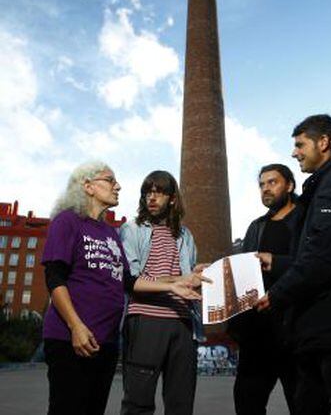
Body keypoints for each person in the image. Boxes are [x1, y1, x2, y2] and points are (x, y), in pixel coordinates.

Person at [42, 161, 198, 415]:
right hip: (73, 335)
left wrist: (182, 281)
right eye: (111, 180)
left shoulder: (110, 233)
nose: (118, 186)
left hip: (107, 339)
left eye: (159, 191)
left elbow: (129, 280)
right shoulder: (68, 221)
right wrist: (76, 326)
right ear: (88, 186)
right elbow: (55, 277)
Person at [257, 114, 331, 415]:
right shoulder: (326, 184)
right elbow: (316, 254)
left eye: (300, 144)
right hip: (318, 329)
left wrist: (278, 293)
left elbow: (325, 255)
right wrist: (279, 263)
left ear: (323, 143)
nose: (294, 152)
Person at [120, 170, 206, 415]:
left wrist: (197, 274)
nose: (152, 197)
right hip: (146, 319)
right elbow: (132, 281)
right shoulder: (132, 229)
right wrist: (175, 282)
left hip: (183, 323)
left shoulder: (185, 235)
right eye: (147, 192)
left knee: (181, 402)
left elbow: (185, 278)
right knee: (138, 401)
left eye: (159, 192)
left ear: (172, 198)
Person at [230, 164, 298, 415]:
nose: (266, 188)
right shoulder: (256, 227)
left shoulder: (304, 219)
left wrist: (277, 262)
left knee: (304, 402)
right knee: (247, 402)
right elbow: (243, 274)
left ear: (289, 185)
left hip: (295, 330)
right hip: (257, 333)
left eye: (273, 182)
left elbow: (314, 265)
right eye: (262, 184)